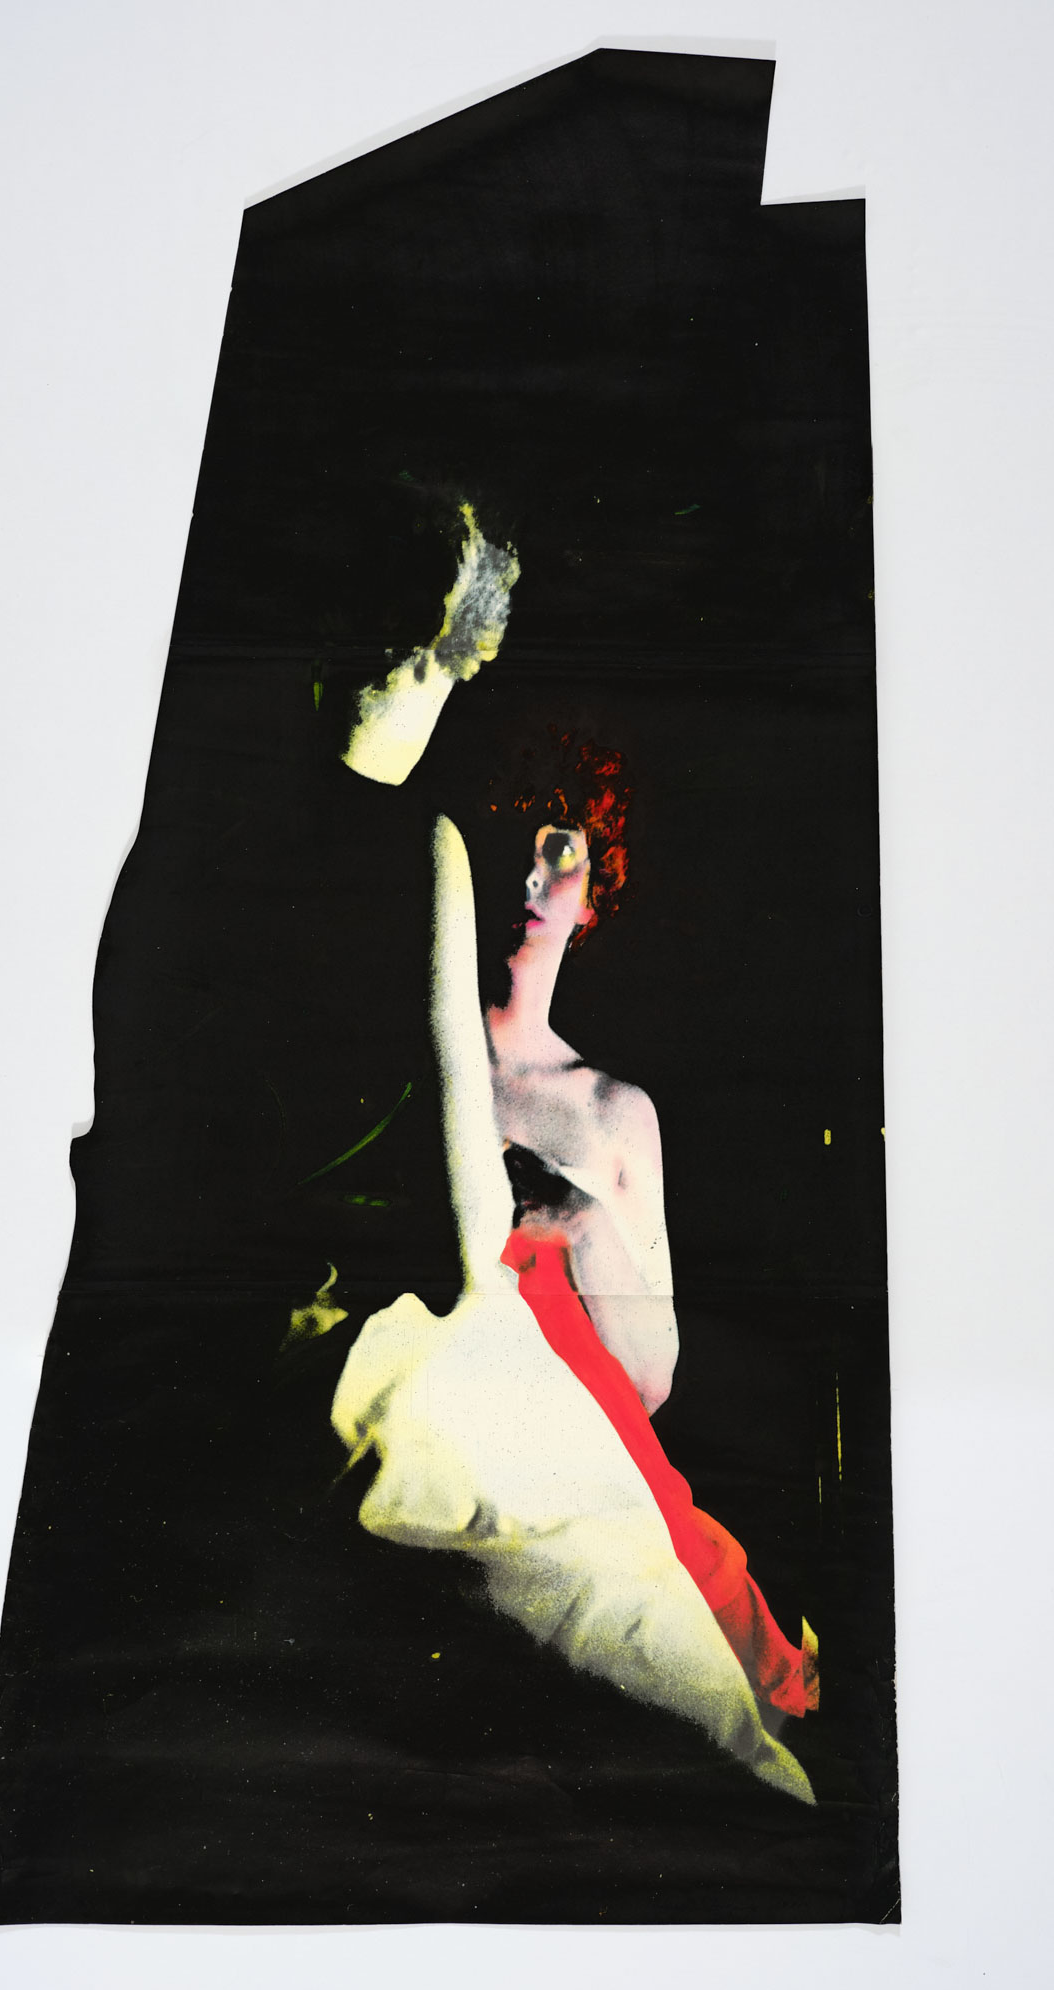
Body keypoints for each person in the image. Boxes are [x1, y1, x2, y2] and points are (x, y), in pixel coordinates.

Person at [330, 505, 817, 1800]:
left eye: (565, 854)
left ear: (594, 895)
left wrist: (577, 1222)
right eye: (520, 840)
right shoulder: (399, 1013)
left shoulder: (609, 1106)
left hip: (574, 1433)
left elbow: (649, 1374)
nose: (532, 877)